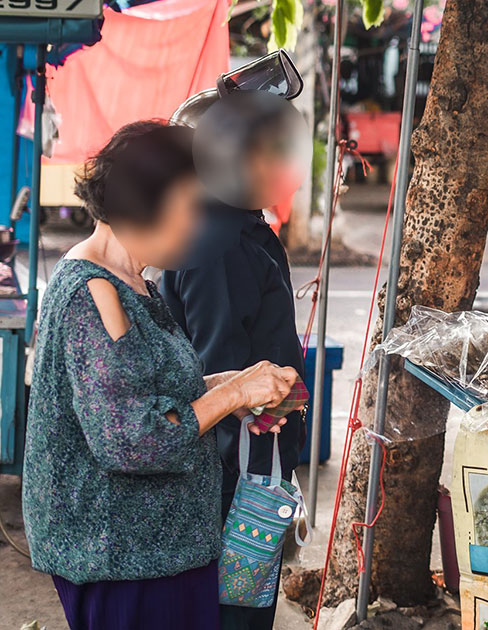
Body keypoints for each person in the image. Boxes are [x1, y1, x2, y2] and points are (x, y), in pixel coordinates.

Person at [22, 120, 298, 629]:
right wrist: (234, 390)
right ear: (143, 204)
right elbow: (132, 439)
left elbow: (154, 394)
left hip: (160, 551)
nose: (197, 224)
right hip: (122, 557)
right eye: (190, 207)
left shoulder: (131, 281)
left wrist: (234, 389)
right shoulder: (94, 294)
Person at [161, 79, 308, 630]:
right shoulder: (216, 245)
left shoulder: (241, 228)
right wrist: (253, 483)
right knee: (234, 613)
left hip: (251, 458)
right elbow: (218, 367)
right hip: (237, 468)